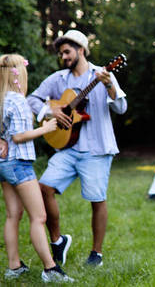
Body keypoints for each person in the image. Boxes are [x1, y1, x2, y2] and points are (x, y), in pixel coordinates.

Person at [26, 30, 127, 267]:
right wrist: (53, 111)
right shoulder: (58, 79)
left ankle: (96, 254)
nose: (64, 56)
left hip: (97, 149)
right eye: (61, 53)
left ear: (81, 50)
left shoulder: (103, 73)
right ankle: (58, 241)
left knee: (96, 198)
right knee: (44, 188)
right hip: (67, 148)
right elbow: (32, 99)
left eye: (67, 51)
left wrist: (110, 86)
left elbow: (121, 107)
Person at [0, 54, 74, 282]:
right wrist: (46, 127)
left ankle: (14, 266)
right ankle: (50, 269)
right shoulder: (17, 100)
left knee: (13, 215)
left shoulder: (1, 99)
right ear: (18, 74)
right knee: (39, 217)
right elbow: (20, 136)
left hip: (3, 164)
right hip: (19, 164)